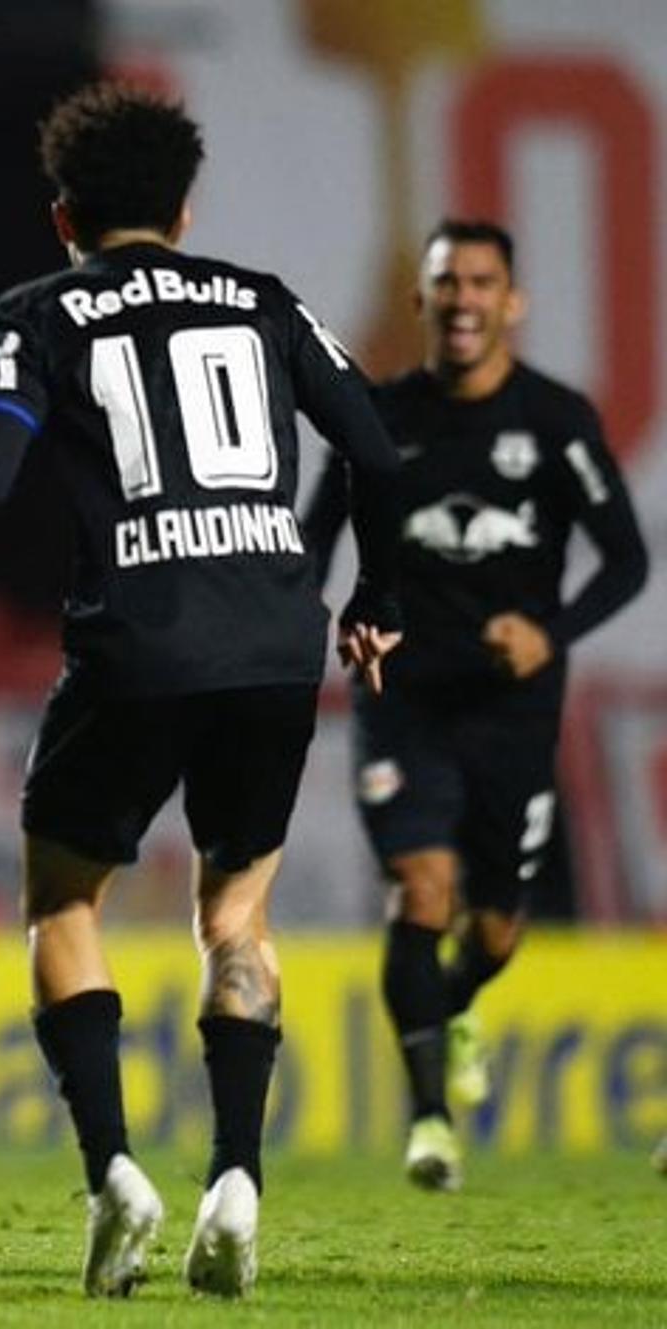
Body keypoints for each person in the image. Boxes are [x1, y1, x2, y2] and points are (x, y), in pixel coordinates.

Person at [0, 83, 404, 1299]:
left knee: (63, 904)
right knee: (237, 917)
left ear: (62, 216)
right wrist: (375, 598)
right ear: (184, 209)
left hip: (137, 637)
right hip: (271, 639)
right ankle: (237, 1176)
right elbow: (380, 449)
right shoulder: (261, 300)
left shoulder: (40, 311)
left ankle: (113, 1175)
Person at [304, 219, 648, 1193]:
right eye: (446, 283)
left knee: (494, 931)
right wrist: (328, 621)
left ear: (512, 302)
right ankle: (429, 1121)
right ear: (421, 300)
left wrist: (555, 633)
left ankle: (450, 1008)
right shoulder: (377, 417)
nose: (462, 300)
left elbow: (626, 558)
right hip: (401, 702)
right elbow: (312, 537)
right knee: (422, 890)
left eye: (481, 283)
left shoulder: (555, 422)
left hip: (514, 713)